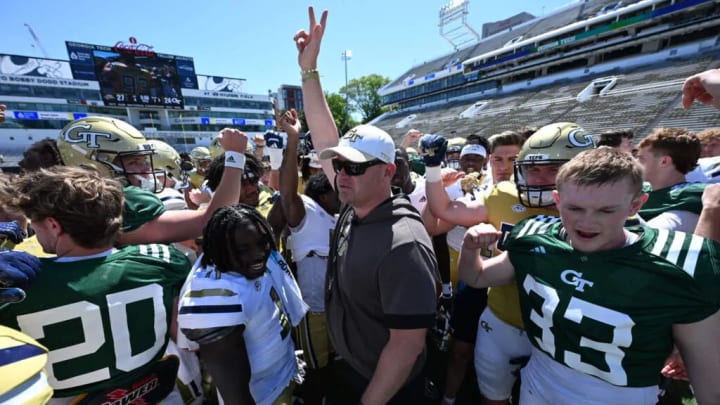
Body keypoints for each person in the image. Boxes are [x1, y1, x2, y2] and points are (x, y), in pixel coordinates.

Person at [458, 148, 720, 405]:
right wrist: (470, 250)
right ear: (558, 201)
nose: (587, 221)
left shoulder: (679, 264)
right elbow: (478, 277)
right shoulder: (535, 237)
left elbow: (712, 390)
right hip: (538, 385)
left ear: (635, 205)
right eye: (575, 208)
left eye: (605, 210)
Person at [295, 7, 439, 403]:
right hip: (355, 366)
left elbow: (406, 347)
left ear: (389, 172)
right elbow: (326, 135)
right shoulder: (356, 206)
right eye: (339, 164)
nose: (341, 173)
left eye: (355, 167)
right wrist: (309, 71)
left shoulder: (402, 244)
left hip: (387, 387)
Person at [423, 122, 596, 405]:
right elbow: (444, 211)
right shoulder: (504, 193)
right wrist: (432, 170)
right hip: (502, 313)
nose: (539, 179)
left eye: (553, 169)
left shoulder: (607, 213)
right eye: (533, 169)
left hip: (562, 327)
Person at [0, 166, 191, 404]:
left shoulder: (16, 290)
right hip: (152, 392)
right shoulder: (161, 260)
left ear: (53, 225)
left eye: (35, 222)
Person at [178, 204, 307, 405]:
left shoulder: (250, 261)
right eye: (242, 249)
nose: (257, 254)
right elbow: (235, 396)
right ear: (219, 249)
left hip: (284, 373)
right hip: (264, 396)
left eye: (262, 242)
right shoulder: (217, 294)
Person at [277, 108, 339, 404]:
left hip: (341, 307)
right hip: (312, 309)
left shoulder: (339, 216)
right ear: (324, 194)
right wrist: (293, 139)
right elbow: (287, 193)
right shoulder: (306, 213)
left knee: (336, 366)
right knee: (315, 371)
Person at [636, 128, 706, 232]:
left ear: (664, 161)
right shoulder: (636, 189)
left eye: (641, 158)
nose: (635, 163)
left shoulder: (695, 193)